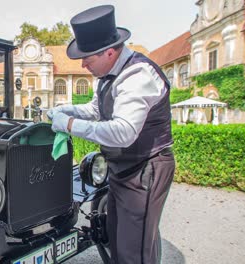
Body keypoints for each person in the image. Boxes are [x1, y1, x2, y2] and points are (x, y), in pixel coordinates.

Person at [47, 5, 175, 264]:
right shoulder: (109, 73)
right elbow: (96, 108)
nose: (83, 64)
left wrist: (69, 124)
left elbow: (123, 132)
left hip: (144, 169)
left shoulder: (137, 75)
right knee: (116, 239)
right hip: (122, 169)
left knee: (134, 252)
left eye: (88, 58)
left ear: (109, 52)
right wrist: (64, 109)